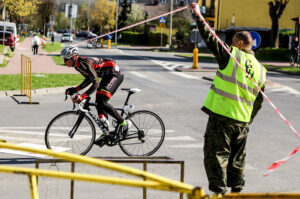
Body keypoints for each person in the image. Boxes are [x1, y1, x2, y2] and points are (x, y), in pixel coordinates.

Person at [191, 3, 267, 195]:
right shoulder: (261, 70)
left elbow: (211, 39)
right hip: (242, 121)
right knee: (237, 159)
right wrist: (248, 119)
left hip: (222, 117)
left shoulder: (233, 56)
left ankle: (219, 193)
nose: (230, 44)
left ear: (240, 44)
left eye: (232, 41)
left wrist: (199, 16)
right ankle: (236, 192)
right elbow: (258, 101)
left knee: (216, 155)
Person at [61, 45, 131, 146]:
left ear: (73, 57)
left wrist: (83, 95)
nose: (64, 62)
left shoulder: (85, 63)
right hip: (106, 76)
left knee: (102, 101)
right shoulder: (77, 66)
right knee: (98, 101)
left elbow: (95, 83)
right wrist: (75, 89)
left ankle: (124, 123)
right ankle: (105, 132)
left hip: (114, 74)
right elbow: (89, 79)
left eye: (66, 59)